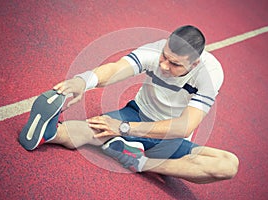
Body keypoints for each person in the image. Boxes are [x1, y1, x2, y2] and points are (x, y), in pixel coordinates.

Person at [19, 25, 239, 184]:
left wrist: (124, 129)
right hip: (137, 115)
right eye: (164, 56)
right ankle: (50, 133)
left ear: (195, 63)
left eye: (174, 64)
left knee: (228, 164)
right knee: (89, 130)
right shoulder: (155, 50)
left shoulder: (211, 74)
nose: (163, 65)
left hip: (170, 138)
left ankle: (141, 162)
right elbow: (116, 69)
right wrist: (82, 81)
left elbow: (185, 126)